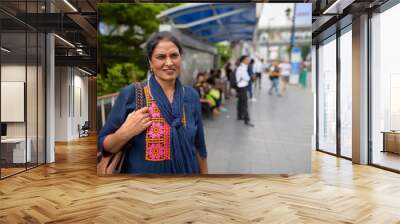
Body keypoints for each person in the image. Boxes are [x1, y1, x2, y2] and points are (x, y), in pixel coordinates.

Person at [98, 31, 208, 174]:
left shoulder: (191, 95)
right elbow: (104, 144)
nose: (169, 63)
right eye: (161, 57)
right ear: (150, 62)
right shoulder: (132, 94)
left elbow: (199, 145)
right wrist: (124, 133)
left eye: (174, 55)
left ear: (180, 58)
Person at [236, 55, 254, 127]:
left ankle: (239, 116)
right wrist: (250, 77)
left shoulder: (242, 67)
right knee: (244, 104)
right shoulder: (242, 68)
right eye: (247, 59)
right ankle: (247, 120)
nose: (249, 60)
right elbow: (247, 78)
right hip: (242, 87)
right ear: (243, 60)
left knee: (240, 102)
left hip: (240, 87)